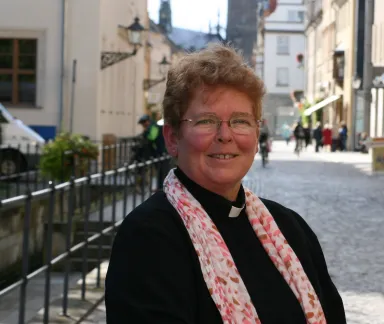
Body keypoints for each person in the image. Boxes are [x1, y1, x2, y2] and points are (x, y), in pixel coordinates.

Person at [105, 43, 346, 324]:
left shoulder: (289, 228)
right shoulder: (148, 238)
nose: (225, 135)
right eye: (206, 121)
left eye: (240, 121)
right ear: (172, 138)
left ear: (256, 135)